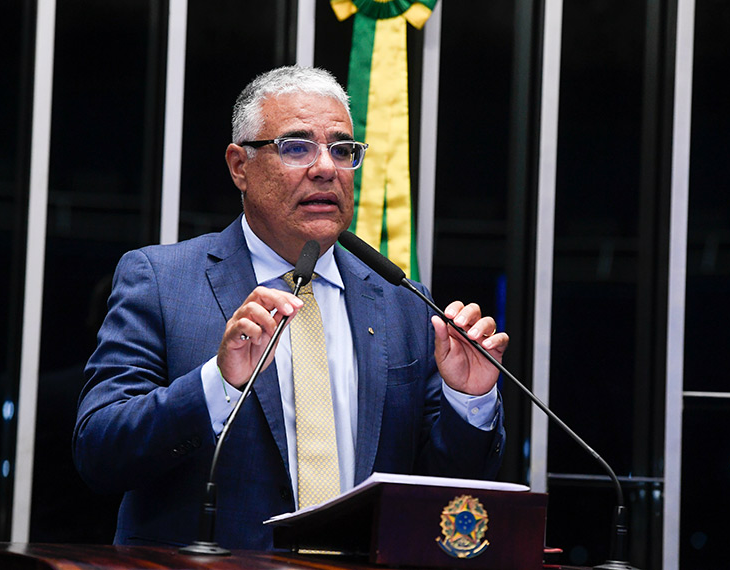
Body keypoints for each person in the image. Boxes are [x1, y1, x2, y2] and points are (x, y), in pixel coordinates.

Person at [73, 66, 509, 550]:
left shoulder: (404, 302)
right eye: (296, 147)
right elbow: (100, 451)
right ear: (240, 166)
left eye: (342, 150)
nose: (325, 168)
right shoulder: (161, 280)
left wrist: (468, 403)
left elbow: (446, 492)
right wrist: (219, 383)